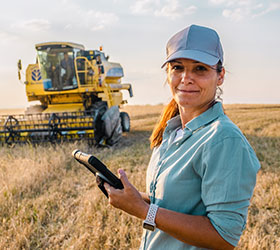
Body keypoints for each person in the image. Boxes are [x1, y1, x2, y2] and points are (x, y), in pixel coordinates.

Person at [103, 24, 260, 249]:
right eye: (178, 67)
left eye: (200, 69)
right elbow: (177, 205)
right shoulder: (172, 132)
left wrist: (144, 211)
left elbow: (224, 236)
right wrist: (136, 198)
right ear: (168, 73)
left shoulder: (224, 139)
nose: (186, 78)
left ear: (220, 75)